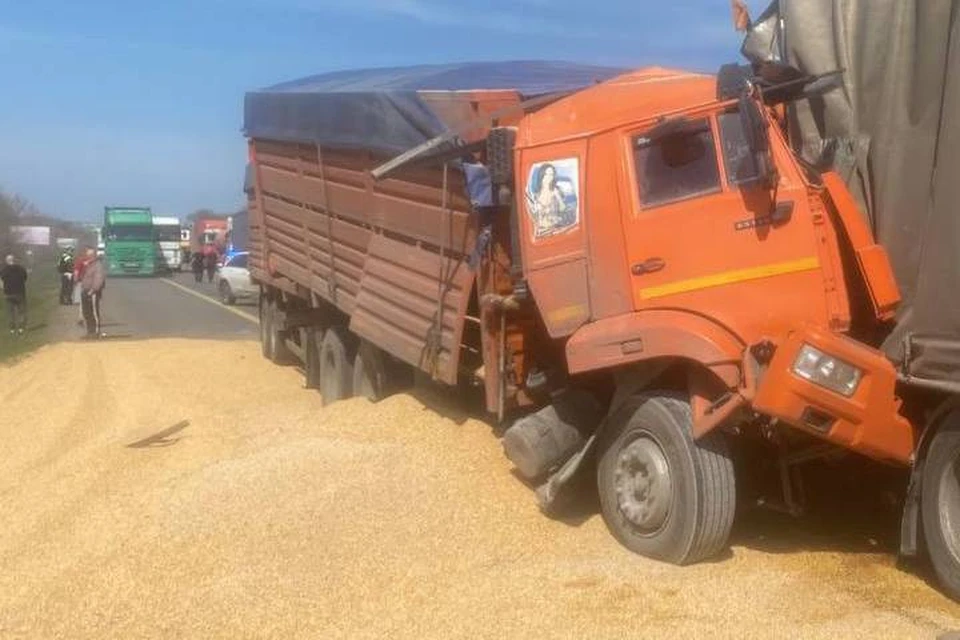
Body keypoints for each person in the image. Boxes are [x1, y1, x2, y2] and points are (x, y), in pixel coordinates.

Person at [79, 248, 106, 338]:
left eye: (90, 255)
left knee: (93, 312)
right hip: (85, 290)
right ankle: (89, 332)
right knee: (86, 312)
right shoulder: (89, 265)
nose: (88, 257)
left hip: (93, 292)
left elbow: (99, 279)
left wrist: (93, 290)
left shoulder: (98, 265)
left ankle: (96, 332)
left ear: (94, 256)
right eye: (87, 255)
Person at [0, 254, 28, 336]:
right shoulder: (21, 268)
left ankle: (12, 329)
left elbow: (0, 281)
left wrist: (4, 288)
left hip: (8, 293)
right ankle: (21, 329)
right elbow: (25, 278)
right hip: (19, 292)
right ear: (14, 260)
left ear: (7, 261)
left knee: (10, 312)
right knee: (21, 311)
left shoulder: (4, 270)